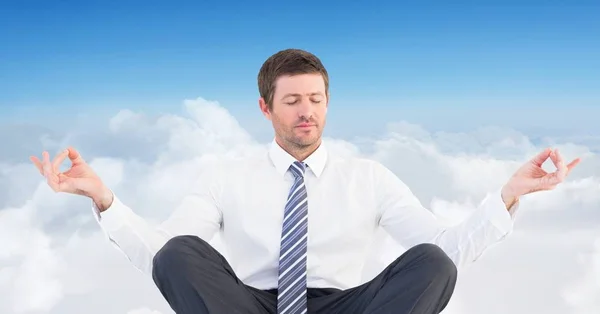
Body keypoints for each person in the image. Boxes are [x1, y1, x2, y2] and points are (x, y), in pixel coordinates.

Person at [30, 48, 581, 314]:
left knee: (433, 264)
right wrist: (104, 200)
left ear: (328, 104)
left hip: (344, 308)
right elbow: (165, 256)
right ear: (265, 108)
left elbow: (445, 249)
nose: (307, 112)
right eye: (292, 101)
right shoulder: (227, 176)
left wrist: (508, 197)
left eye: (316, 100)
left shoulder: (368, 176)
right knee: (179, 252)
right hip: (250, 308)